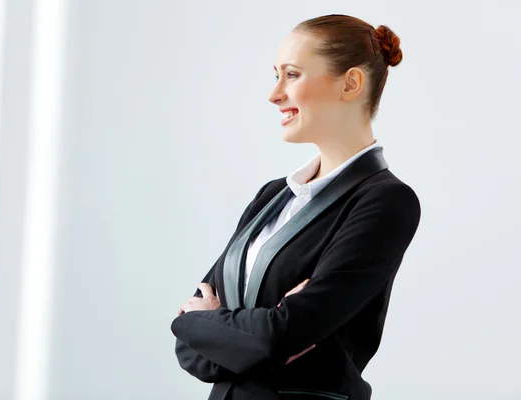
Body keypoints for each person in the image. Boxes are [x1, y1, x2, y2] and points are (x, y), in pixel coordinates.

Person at [170, 14, 421, 400]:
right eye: (276, 76)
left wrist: (223, 326)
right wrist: (253, 331)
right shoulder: (272, 196)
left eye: (292, 75)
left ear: (350, 83)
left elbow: (282, 334)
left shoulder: (385, 201)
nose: (274, 95)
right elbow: (188, 340)